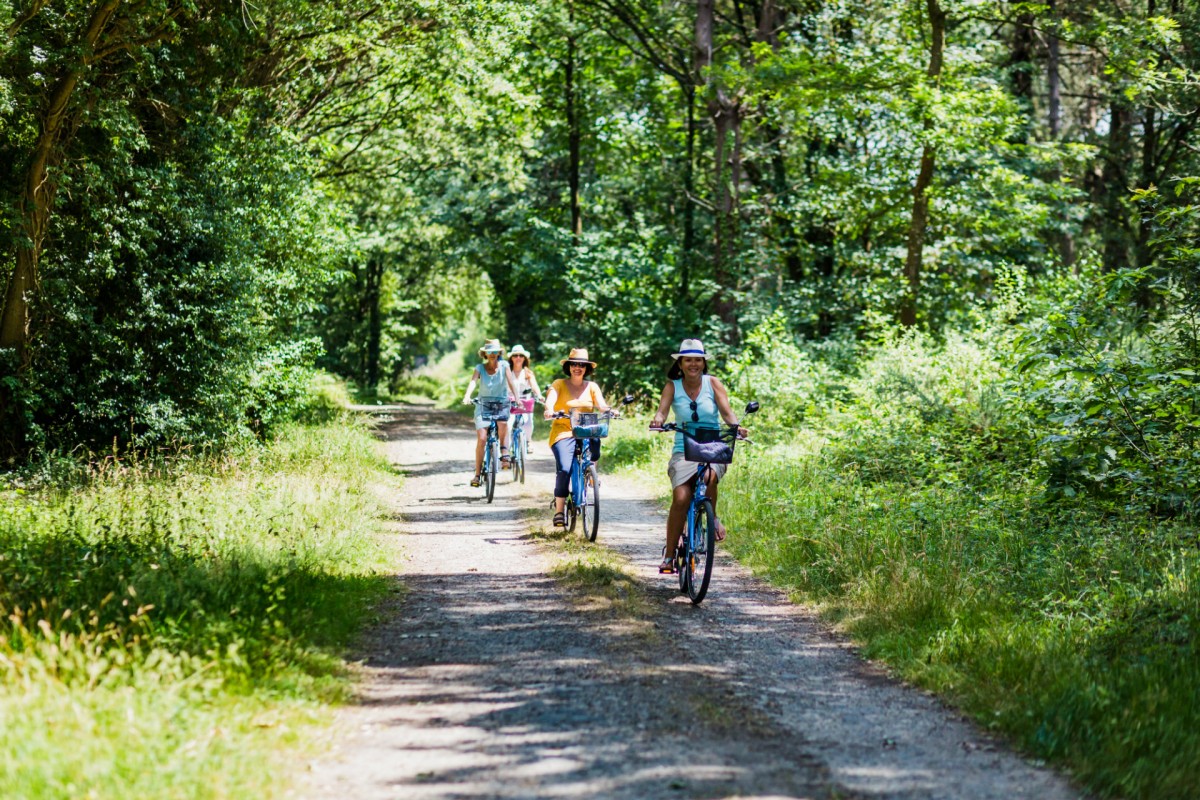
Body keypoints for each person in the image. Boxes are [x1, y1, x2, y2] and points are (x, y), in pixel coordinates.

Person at [648, 338, 748, 574]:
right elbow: (662, 411)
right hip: (683, 449)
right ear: (680, 363)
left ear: (703, 363)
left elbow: (727, 412)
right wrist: (658, 421)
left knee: (710, 475)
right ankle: (670, 556)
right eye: (688, 360)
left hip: (712, 446)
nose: (693, 364)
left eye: (698, 360)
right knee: (681, 498)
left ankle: (712, 517)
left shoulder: (713, 383)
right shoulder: (673, 386)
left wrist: (737, 427)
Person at [542, 347, 616, 527]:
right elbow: (550, 400)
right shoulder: (559, 383)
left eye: (582, 365)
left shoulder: (592, 387)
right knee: (565, 469)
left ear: (587, 368)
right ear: (568, 366)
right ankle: (559, 511)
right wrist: (549, 410)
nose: (578, 367)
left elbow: (601, 405)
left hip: (585, 429)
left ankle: (591, 472)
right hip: (563, 431)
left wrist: (610, 410)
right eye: (574, 364)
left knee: (596, 441)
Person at [462, 339, 520, 487]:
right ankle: (477, 474)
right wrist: (467, 396)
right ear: (485, 354)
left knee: (502, 423)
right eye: (490, 352)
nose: (493, 354)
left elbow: (511, 382)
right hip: (483, 403)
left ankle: (503, 450)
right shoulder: (480, 368)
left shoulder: (505, 365)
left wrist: (517, 398)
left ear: (499, 353)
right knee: (482, 438)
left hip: (501, 402)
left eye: (495, 352)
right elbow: (473, 382)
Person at [507, 345, 542, 455]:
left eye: (521, 355)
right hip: (510, 402)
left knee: (528, 422)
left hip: (525, 402)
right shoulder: (507, 372)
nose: (518, 358)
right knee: (508, 424)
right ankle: (506, 448)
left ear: (524, 358)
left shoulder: (527, 373)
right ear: (511, 358)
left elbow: (534, 386)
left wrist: (539, 395)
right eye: (515, 355)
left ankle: (528, 441)